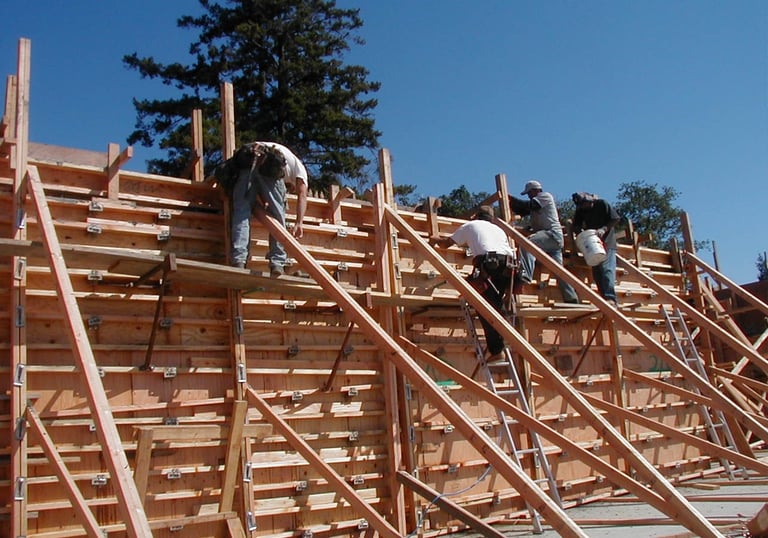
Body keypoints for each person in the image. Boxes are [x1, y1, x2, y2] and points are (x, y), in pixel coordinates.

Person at [430, 205, 516, 359]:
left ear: (476, 216)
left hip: (489, 265)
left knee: (483, 306)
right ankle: (501, 334)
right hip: (509, 268)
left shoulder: (470, 225)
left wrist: (433, 239)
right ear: (491, 219)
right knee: (493, 305)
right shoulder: (499, 230)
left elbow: (445, 244)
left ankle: (497, 349)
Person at [228, 141, 308, 276]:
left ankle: (239, 260)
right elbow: (303, 194)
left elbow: (257, 181)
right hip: (270, 163)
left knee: (241, 213)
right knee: (278, 216)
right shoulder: (300, 169)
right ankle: (277, 263)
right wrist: (299, 222)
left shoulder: (286, 155)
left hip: (246, 161)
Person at [508, 180, 579, 304]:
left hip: (551, 235)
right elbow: (523, 210)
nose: (529, 196)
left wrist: (510, 198)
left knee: (527, 244)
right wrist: (510, 204)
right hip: (549, 241)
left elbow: (528, 206)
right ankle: (570, 297)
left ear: (535, 191)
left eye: (529, 193)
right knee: (558, 270)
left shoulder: (545, 197)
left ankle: (525, 275)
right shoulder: (536, 204)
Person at [571, 192, 621, 306]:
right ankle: (604, 299)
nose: (583, 208)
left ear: (589, 201)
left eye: (584, 205)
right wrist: (581, 233)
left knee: (606, 269)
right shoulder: (581, 210)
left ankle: (610, 298)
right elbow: (576, 226)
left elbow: (615, 218)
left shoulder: (602, 204)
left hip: (607, 242)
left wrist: (604, 228)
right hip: (593, 243)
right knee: (597, 273)